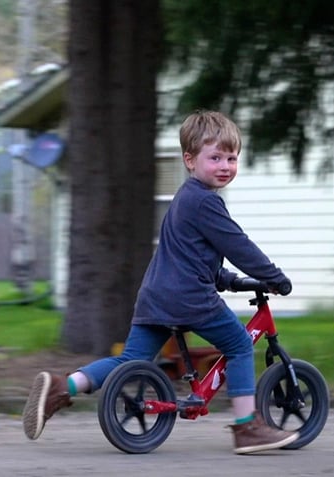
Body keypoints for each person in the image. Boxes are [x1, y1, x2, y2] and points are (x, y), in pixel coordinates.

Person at [22, 110, 298, 454]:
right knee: (240, 345)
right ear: (190, 160)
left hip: (156, 296)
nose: (225, 165)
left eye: (232, 157)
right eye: (215, 158)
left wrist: (233, 281)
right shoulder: (206, 202)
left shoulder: (186, 200)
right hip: (189, 299)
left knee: (130, 361)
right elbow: (237, 245)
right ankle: (247, 428)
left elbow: (196, 260)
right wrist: (273, 276)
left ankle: (63, 386)